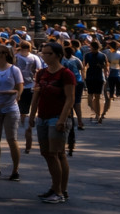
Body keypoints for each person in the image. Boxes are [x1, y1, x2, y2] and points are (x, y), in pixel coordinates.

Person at [30, 42, 76, 204]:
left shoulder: (66, 74)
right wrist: (32, 115)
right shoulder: (41, 72)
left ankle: (59, 191)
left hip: (58, 117)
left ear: (56, 55)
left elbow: (70, 98)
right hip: (42, 116)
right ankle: (57, 187)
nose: (43, 56)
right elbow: (37, 94)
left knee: (56, 153)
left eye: (47, 53)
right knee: (47, 153)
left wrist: (62, 119)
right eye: (42, 53)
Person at [0, 44, 24, 181]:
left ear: (7, 54)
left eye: (3, 52)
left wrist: (15, 95)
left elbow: (20, 88)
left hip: (10, 108)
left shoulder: (14, 69)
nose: (0, 55)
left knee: (12, 139)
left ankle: (15, 170)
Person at [15, 40, 44, 154]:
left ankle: (23, 126)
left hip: (19, 87)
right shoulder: (35, 58)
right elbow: (39, 71)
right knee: (33, 109)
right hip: (32, 87)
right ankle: (29, 134)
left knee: (21, 111)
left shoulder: (16, 57)